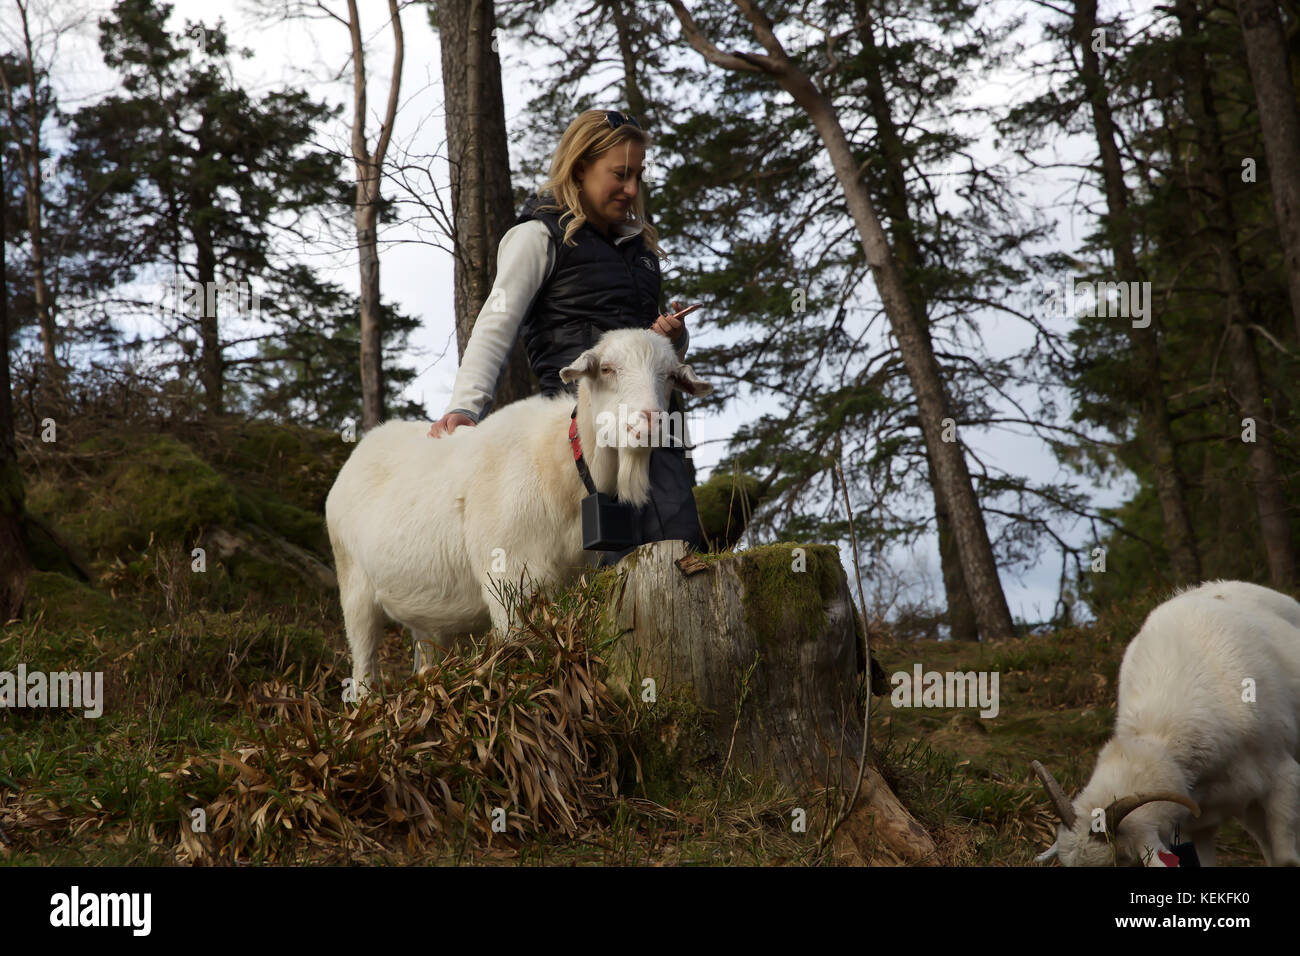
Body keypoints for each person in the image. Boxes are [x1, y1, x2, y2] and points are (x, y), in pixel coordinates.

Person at [427, 109, 703, 567]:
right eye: (620, 174)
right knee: (605, 567)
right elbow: (496, 322)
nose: (632, 189)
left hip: (659, 432)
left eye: (638, 175)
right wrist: (464, 406)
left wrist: (671, 339)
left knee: (682, 552)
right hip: (580, 440)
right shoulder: (538, 236)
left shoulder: (640, 250)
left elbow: (643, 351)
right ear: (579, 167)